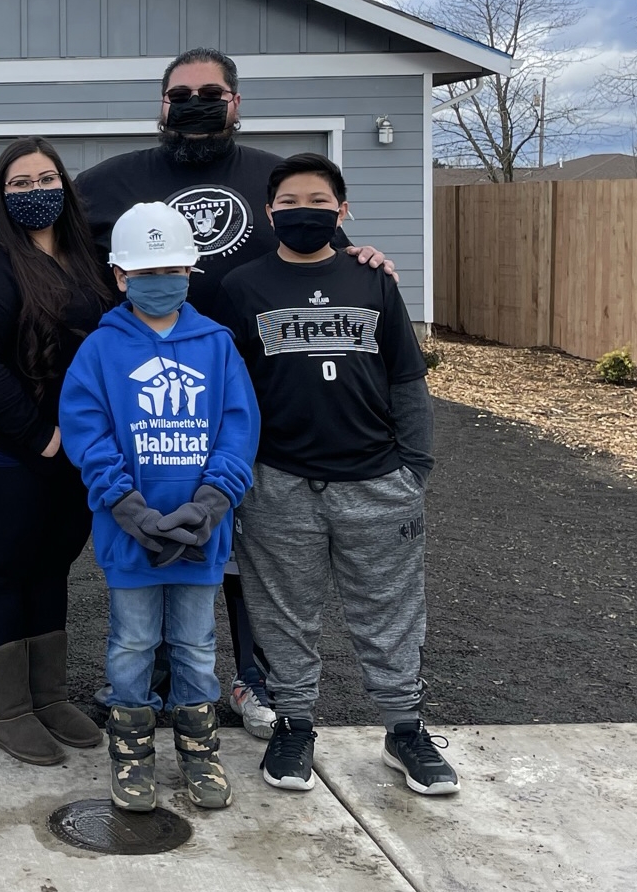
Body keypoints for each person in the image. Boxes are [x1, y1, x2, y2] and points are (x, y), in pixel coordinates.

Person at [0, 47, 399, 739]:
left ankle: (252, 682)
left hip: (244, 389)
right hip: (143, 407)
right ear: (161, 104)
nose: (195, 103)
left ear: (235, 101)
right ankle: (138, 690)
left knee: (241, 554)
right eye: (180, 94)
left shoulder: (269, 176)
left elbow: (324, 245)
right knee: (146, 545)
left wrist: (367, 258)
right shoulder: (114, 180)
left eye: (210, 92)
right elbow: (40, 218)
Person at [214, 152, 458, 798]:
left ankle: (405, 729)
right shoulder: (243, 287)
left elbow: (407, 380)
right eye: (289, 202)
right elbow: (230, 391)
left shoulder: (372, 280)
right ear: (270, 214)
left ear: (342, 211)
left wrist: (415, 469)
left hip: (375, 480)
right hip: (281, 482)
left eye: (318, 201)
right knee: (285, 614)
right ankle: (295, 724)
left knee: (390, 613)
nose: (303, 212)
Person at [59, 202, 258, 812]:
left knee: (198, 645)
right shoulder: (100, 350)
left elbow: (238, 426)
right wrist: (127, 507)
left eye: (171, 268)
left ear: (192, 270)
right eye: (145, 273)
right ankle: (132, 755)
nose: (158, 281)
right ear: (120, 277)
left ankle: (199, 754)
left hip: (203, 535)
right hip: (131, 537)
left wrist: (213, 499)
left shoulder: (217, 346)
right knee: (132, 644)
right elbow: (86, 431)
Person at [0, 138, 117, 765]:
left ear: (66, 188)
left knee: (50, 568)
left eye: (47, 178)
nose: (35, 191)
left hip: (78, 450)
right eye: (19, 184)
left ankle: (48, 697)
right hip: (4, 451)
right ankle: (8, 710)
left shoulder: (91, 258)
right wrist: (37, 431)